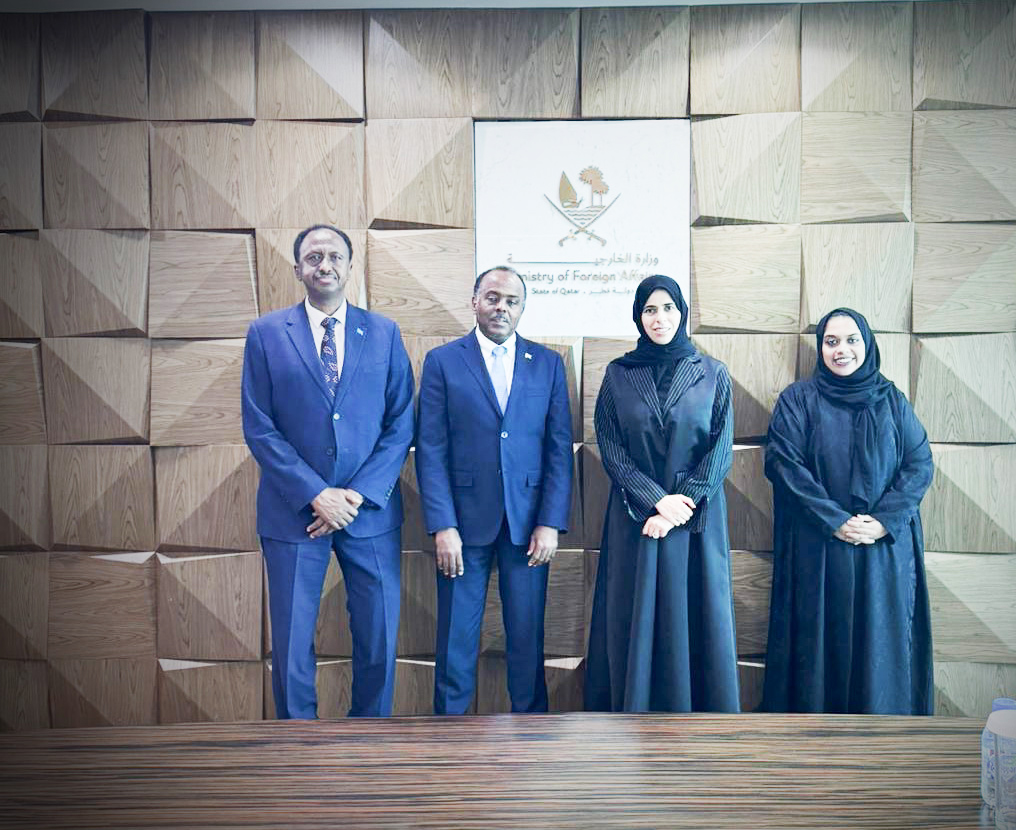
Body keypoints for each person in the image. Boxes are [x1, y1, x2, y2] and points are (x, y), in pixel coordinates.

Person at [242, 224, 415, 719]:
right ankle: (299, 748)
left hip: (371, 515)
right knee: (293, 643)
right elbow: (259, 427)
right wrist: (316, 494)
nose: (325, 265)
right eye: (313, 257)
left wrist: (355, 496)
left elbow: (401, 422)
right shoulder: (267, 334)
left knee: (378, 636)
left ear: (350, 264)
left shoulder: (383, 333)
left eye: (335, 255)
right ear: (298, 269)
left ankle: (371, 740)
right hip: (294, 514)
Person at [416, 265, 573, 714]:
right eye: (492, 298)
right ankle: (449, 738)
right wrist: (442, 525)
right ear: (474, 301)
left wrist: (550, 522)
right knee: (455, 640)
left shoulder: (547, 364)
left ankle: (531, 737)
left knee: (527, 638)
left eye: (511, 301)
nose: (501, 307)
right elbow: (430, 449)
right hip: (462, 527)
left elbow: (559, 449)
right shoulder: (443, 361)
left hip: (528, 526)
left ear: (522, 308)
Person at [761, 308, 934, 715]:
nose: (842, 350)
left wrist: (882, 522)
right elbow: (784, 465)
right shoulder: (798, 400)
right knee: (820, 654)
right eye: (831, 341)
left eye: (851, 340)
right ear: (820, 348)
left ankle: (882, 754)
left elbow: (919, 464)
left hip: (882, 553)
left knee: (881, 652)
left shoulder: (892, 400)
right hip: (819, 551)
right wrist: (835, 521)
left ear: (867, 344)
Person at [584, 275, 739, 713]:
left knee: (696, 612)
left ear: (683, 313)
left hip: (696, 523)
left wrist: (677, 506)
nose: (660, 318)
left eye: (669, 308)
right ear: (638, 316)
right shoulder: (618, 373)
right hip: (635, 517)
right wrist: (655, 499)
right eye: (650, 310)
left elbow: (721, 448)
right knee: (634, 611)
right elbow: (610, 447)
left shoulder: (712, 373)